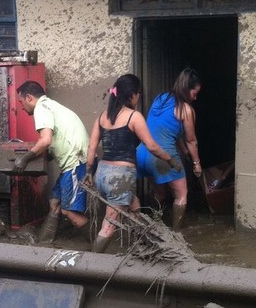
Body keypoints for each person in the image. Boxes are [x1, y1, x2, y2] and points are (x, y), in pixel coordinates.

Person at [85, 74, 179, 253]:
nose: (139, 98)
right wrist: (170, 159)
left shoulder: (102, 117)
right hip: (120, 179)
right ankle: (90, 263)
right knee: (108, 226)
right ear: (132, 95)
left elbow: (91, 149)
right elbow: (152, 146)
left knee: (134, 206)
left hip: (102, 175)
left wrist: (89, 173)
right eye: (138, 94)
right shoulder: (134, 117)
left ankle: (144, 249)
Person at [14, 81, 89, 244]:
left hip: (76, 164)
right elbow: (57, 141)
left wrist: (25, 159)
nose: (21, 107)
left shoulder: (41, 108)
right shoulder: (51, 106)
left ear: (29, 97)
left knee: (69, 213)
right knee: (54, 203)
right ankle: (44, 243)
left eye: (21, 102)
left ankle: (99, 243)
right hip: (73, 162)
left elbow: (45, 140)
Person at [137, 67, 203, 232]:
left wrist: (183, 150)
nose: (195, 98)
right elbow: (191, 140)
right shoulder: (186, 109)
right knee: (181, 195)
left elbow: (167, 129)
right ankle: (175, 236)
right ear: (187, 90)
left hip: (142, 153)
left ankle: (152, 229)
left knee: (160, 193)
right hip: (161, 157)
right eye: (194, 93)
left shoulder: (161, 98)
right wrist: (196, 163)